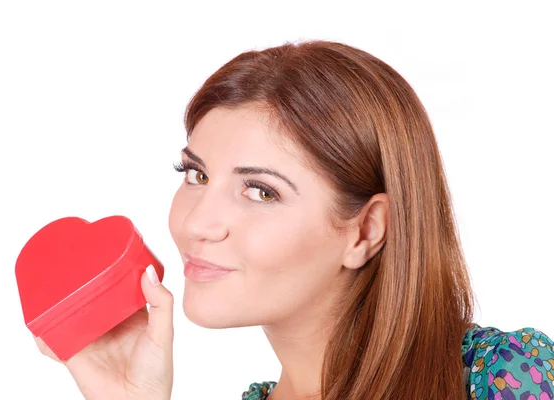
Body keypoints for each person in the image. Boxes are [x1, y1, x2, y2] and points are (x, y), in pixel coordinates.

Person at [35, 40, 554, 399]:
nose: (197, 223)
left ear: (366, 230)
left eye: (260, 190)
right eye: (195, 175)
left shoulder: (501, 377)